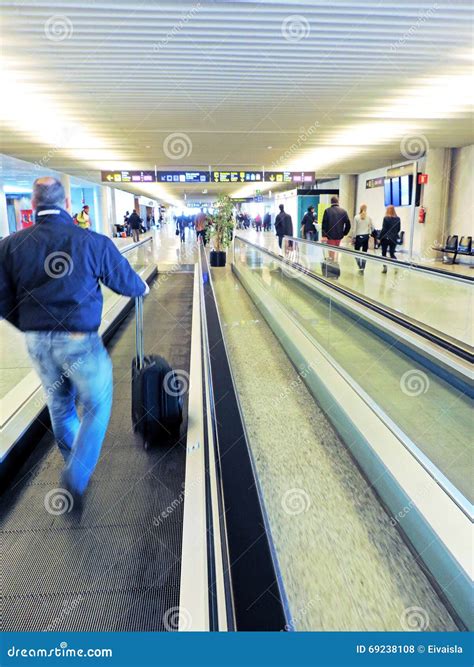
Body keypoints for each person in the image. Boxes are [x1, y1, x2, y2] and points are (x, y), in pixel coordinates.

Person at [0, 177, 148, 504]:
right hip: (79, 339)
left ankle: (72, 462)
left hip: (38, 342)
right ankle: (75, 475)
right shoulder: (91, 241)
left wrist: (29, 324)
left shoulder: (9, 245)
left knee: (60, 403)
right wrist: (143, 288)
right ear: (67, 204)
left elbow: (2, 299)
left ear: (33, 206)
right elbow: (127, 282)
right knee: (97, 403)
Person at [321, 195, 351, 260]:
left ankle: (332, 266)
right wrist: (344, 233)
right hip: (339, 236)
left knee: (331, 253)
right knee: (337, 252)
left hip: (330, 236)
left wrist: (324, 235)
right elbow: (348, 224)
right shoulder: (343, 211)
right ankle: (335, 265)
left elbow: (324, 224)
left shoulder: (327, 211)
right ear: (338, 201)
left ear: (331, 202)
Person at [352, 204, 373, 272]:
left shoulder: (356, 217)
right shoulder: (369, 217)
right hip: (366, 236)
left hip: (358, 237)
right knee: (364, 253)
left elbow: (354, 229)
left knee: (356, 253)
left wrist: (353, 237)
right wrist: (369, 234)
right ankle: (363, 267)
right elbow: (370, 227)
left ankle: (359, 265)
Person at [380, 205, 401, 273]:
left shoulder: (386, 218)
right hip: (393, 239)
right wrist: (394, 234)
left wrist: (379, 237)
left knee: (384, 253)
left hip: (385, 239)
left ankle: (385, 267)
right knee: (392, 253)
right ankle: (396, 266)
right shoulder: (398, 219)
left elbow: (384, 229)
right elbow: (398, 229)